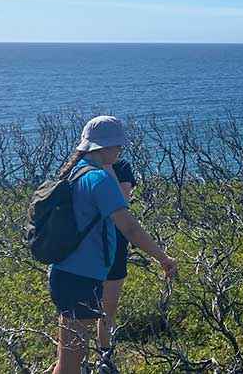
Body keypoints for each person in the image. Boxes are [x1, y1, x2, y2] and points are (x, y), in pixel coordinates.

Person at [47, 116, 176, 374]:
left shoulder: (74, 171)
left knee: (68, 359)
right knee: (71, 365)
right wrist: (164, 258)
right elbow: (129, 227)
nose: (120, 150)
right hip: (79, 277)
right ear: (104, 147)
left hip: (65, 273)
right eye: (117, 145)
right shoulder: (99, 179)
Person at [95, 156, 136, 370]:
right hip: (87, 247)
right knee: (81, 310)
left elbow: (121, 203)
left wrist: (108, 167)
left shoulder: (121, 167)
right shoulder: (83, 166)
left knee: (107, 307)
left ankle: (104, 356)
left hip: (115, 246)